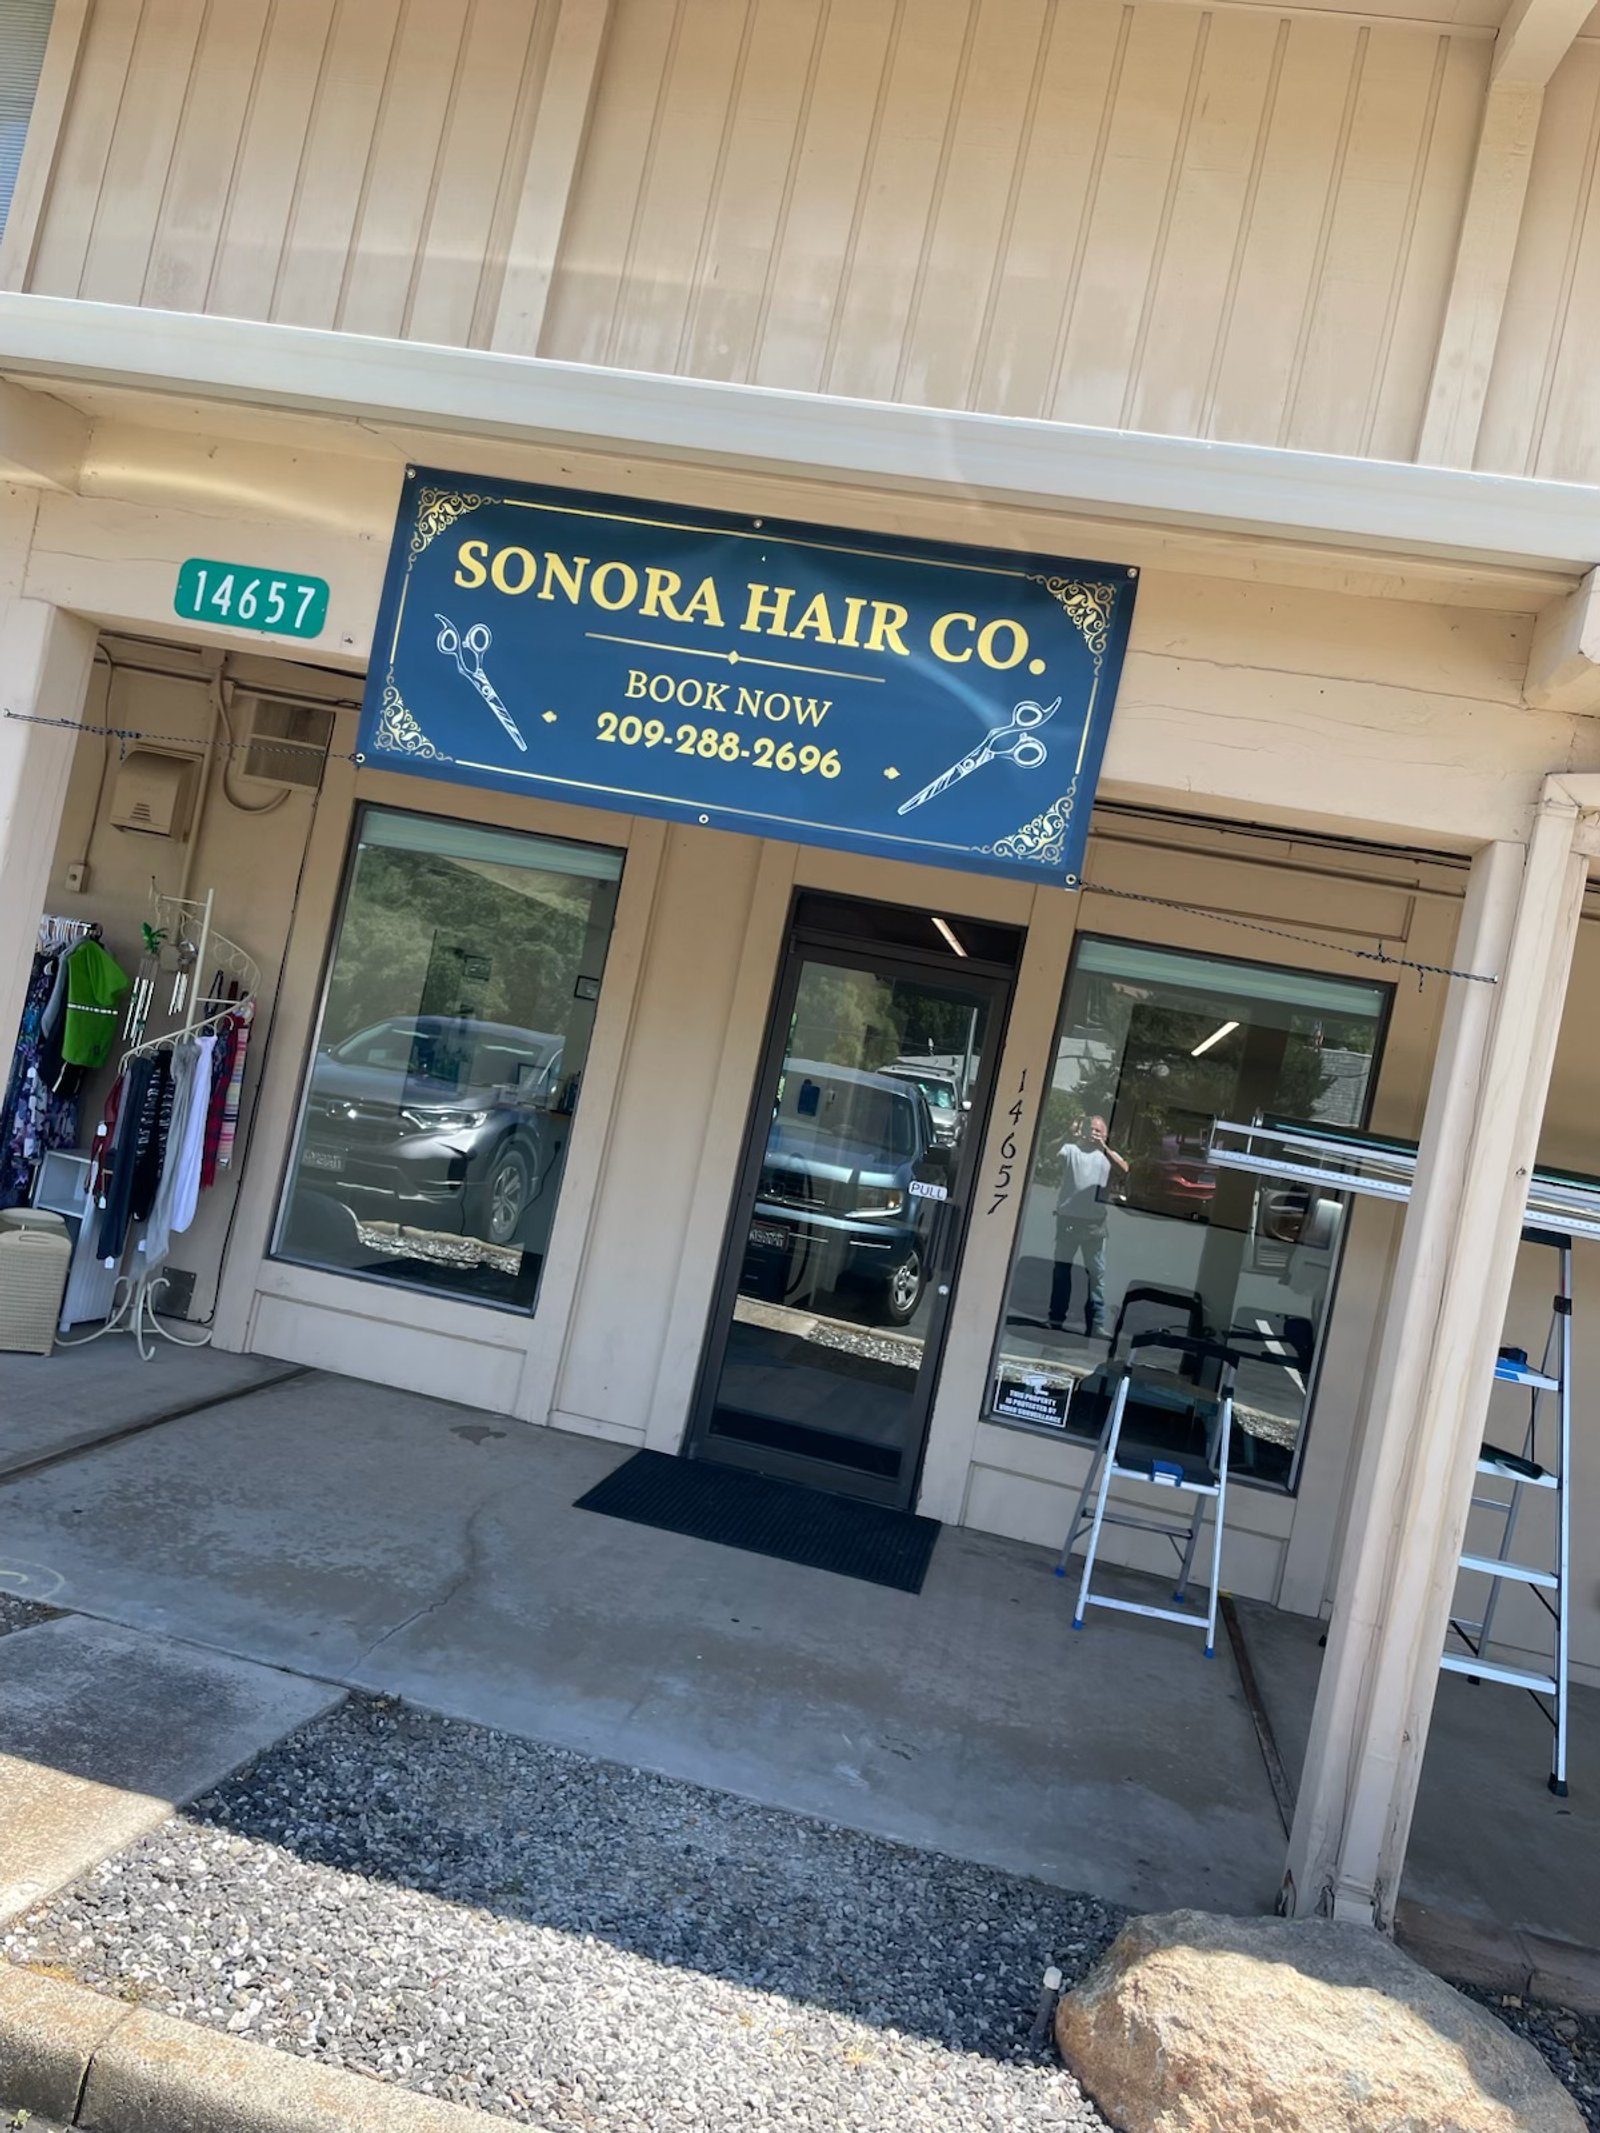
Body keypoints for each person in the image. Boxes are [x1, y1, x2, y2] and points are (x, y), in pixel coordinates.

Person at [1049, 1113, 1128, 1338]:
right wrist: (1067, 1134)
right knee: (1062, 1271)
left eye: (1098, 1131)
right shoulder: (1071, 1150)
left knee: (1096, 1275)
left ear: (1105, 1134)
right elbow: (1049, 1152)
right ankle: (1055, 1318)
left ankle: (1096, 1324)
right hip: (1068, 1221)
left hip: (1095, 1225)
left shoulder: (1107, 1156)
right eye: (1091, 1129)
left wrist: (1104, 1146)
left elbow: (1124, 1169)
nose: (1094, 1134)